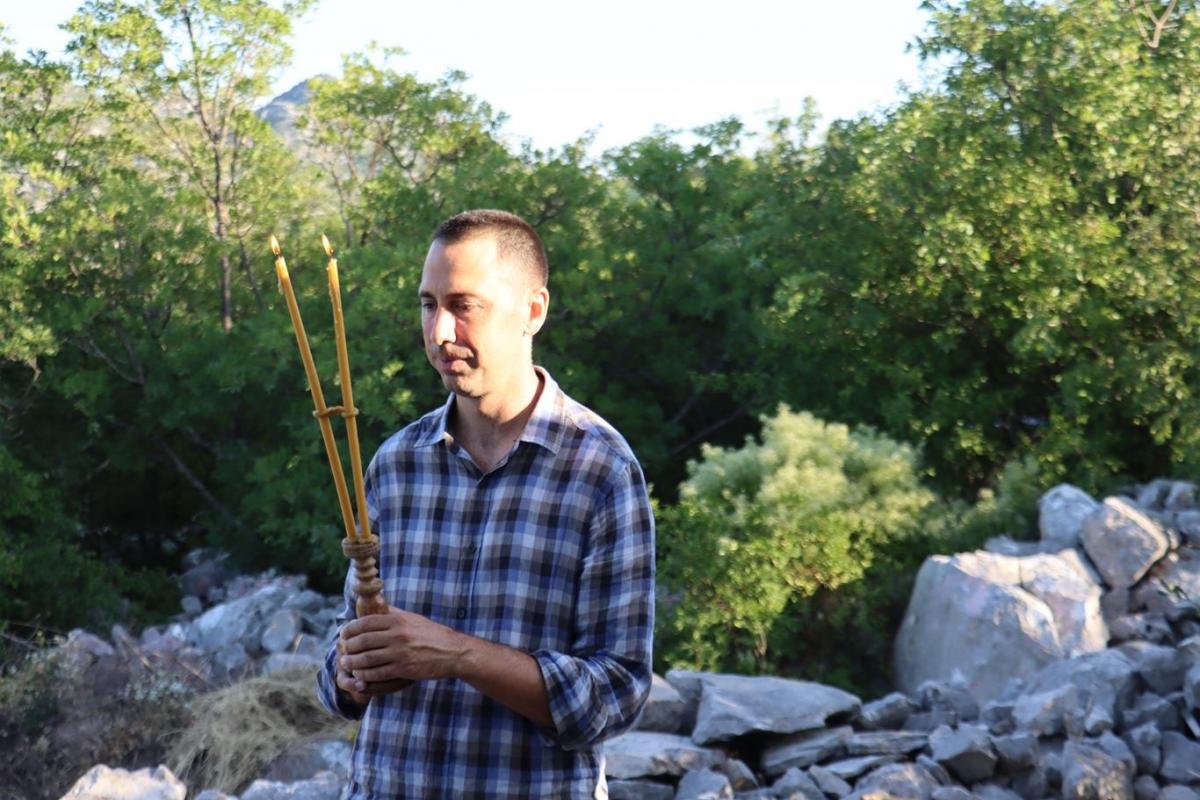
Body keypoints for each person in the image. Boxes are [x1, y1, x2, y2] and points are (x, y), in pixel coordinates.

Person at [316, 209, 656, 799]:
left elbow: (617, 696)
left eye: (464, 305)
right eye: (428, 305)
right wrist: (350, 671)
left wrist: (456, 655)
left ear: (533, 311)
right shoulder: (396, 464)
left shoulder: (601, 471)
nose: (440, 332)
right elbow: (339, 666)